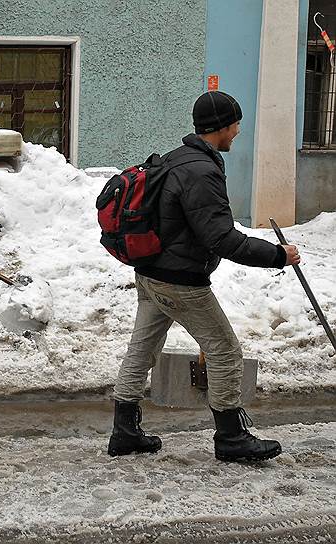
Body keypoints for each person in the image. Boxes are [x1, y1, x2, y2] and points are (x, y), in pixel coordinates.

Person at [107, 90, 301, 462]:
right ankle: (231, 437)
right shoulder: (201, 171)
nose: (239, 131)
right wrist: (278, 254)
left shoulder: (179, 158)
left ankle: (125, 430)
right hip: (180, 281)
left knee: (142, 348)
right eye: (236, 123)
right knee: (225, 349)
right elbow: (221, 238)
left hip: (150, 273)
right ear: (222, 127)